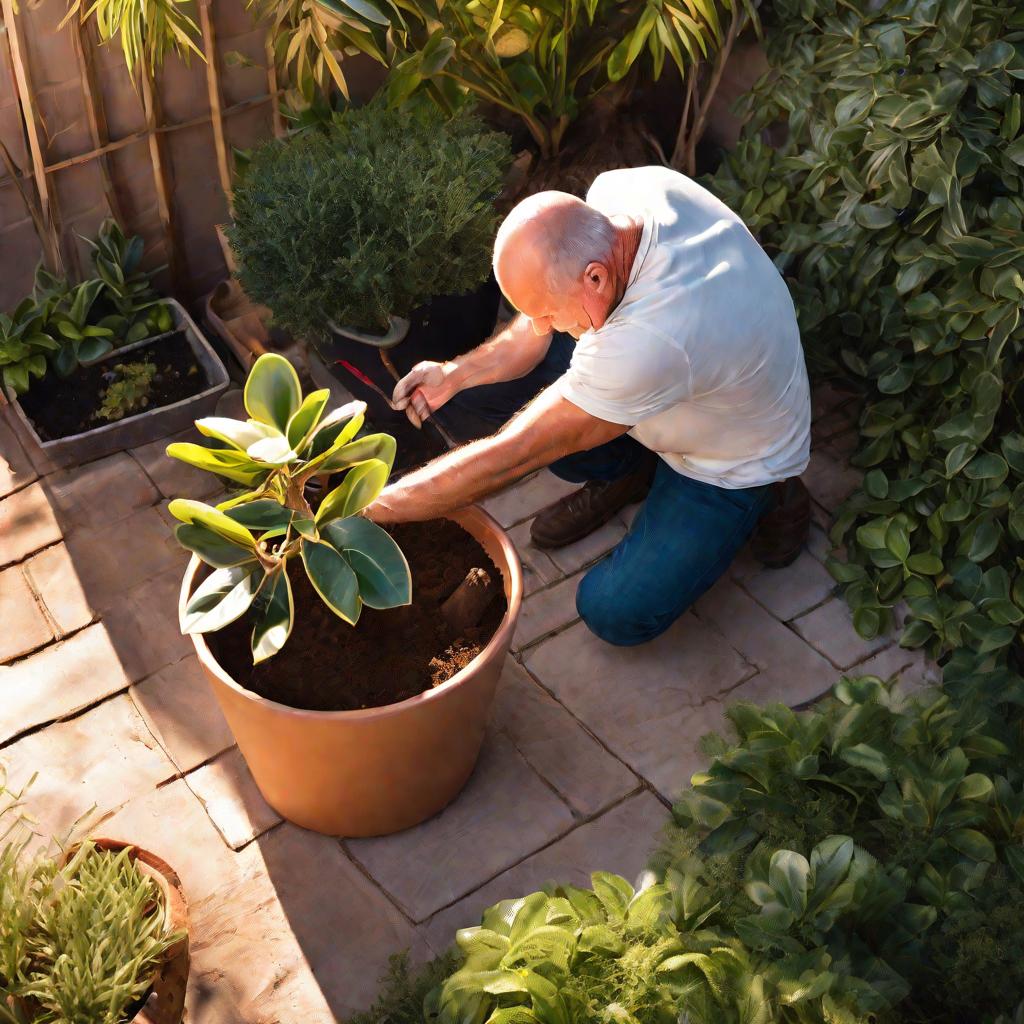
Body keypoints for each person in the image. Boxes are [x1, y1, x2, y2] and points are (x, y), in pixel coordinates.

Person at [364, 165, 811, 647]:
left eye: (550, 314)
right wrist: (458, 373)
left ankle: (776, 495)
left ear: (595, 277)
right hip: (684, 382)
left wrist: (374, 507)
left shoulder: (648, 340)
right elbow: (536, 323)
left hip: (731, 458)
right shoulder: (621, 196)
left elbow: (512, 456)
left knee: (611, 611)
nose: (544, 326)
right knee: (488, 396)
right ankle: (631, 471)